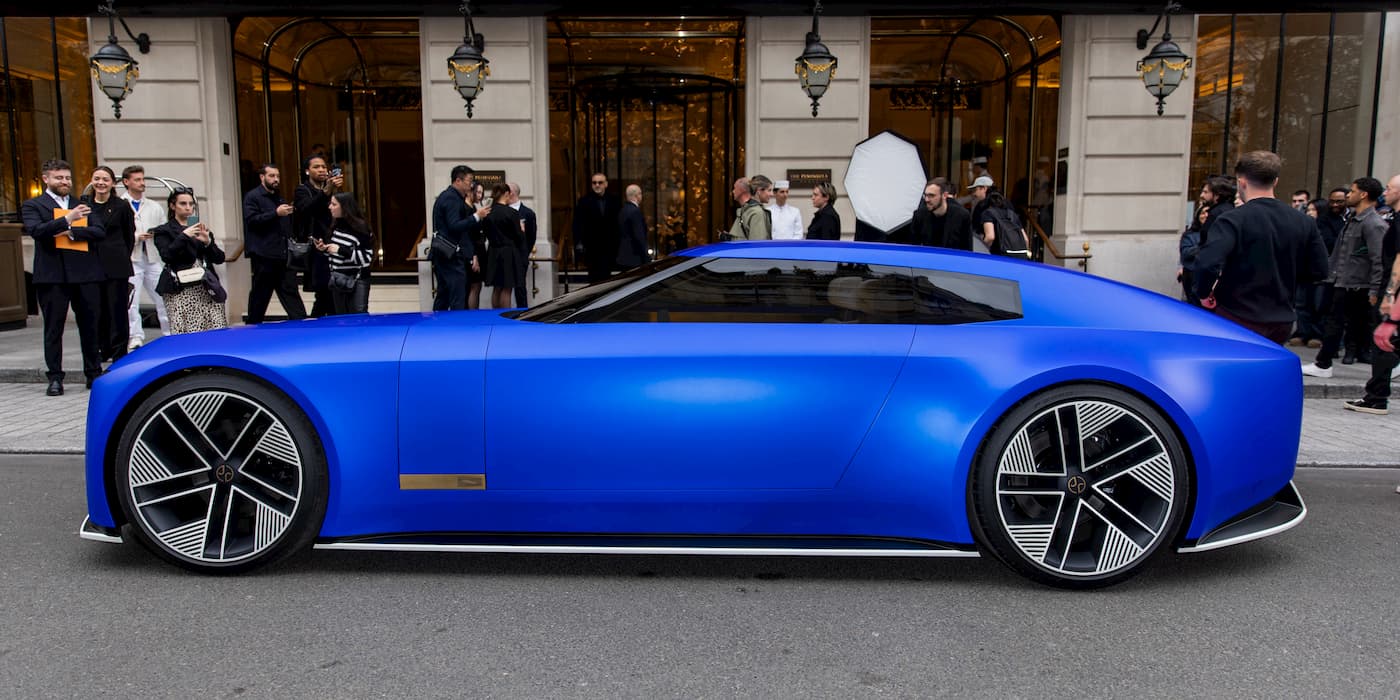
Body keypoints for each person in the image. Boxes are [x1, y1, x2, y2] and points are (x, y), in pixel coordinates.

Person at [1192, 151, 1329, 344]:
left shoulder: (1233, 219)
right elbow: (1320, 270)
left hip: (1237, 313)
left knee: (1234, 371)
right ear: (1275, 182)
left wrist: (1204, 294)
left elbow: (1206, 263)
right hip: (1281, 318)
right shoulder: (1303, 221)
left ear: (1242, 182)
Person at [21, 159, 106, 396]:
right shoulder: (33, 205)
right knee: (53, 328)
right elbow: (36, 231)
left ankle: (93, 373)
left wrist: (73, 231)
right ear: (46, 179)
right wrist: (67, 219)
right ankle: (55, 377)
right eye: (59, 178)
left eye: (68, 178)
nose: (65, 182)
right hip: (52, 276)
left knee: (90, 326)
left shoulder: (82, 204)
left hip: (84, 274)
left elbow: (99, 231)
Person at [1302, 177, 1388, 375]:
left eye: (1353, 191)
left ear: (1363, 194)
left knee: (1343, 322)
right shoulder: (1353, 220)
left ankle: (1324, 363)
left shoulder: (1373, 223)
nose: (1349, 195)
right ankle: (1324, 362)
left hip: (1357, 284)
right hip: (1344, 280)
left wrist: (1375, 289)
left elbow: (1378, 259)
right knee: (1339, 321)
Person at [153, 189, 227, 334]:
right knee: (185, 331)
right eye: (183, 203)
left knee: (215, 328)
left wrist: (207, 242)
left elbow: (219, 258)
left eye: (191, 204)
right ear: (173, 206)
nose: (188, 207)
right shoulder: (164, 230)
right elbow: (167, 255)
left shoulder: (199, 228)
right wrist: (184, 236)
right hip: (180, 288)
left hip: (205, 286)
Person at [82, 166, 136, 362]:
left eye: (105, 179)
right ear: (91, 181)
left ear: (113, 183)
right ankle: (102, 350)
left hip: (116, 266)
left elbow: (129, 236)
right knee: (96, 310)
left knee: (117, 311)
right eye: (97, 178)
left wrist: (120, 255)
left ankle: (119, 352)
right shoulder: (84, 204)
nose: (101, 183)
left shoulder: (121, 206)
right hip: (90, 266)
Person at [242, 163, 307, 324]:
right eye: (272, 176)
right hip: (264, 255)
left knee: (290, 291)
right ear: (262, 177)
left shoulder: (278, 197)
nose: (276, 179)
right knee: (260, 294)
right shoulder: (253, 197)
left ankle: (302, 325)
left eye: (277, 176)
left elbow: (284, 225)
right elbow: (252, 221)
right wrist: (275, 213)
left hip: (283, 255)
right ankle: (253, 326)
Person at [121, 165, 169, 350]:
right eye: (137, 180)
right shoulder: (120, 204)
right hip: (131, 258)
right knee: (131, 300)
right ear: (127, 182)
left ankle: (169, 332)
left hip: (152, 256)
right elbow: (117, 234)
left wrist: (155, 233)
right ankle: (135, 336)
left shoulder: (153, 206)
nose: (142, 183)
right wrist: (135, 237)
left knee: (162, 294)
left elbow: (163, 228)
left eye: (143, 179)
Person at [431, 165, 487, 310]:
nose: (471, 185)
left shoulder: (449, 197)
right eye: (469, 181)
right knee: (457, 295)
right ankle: (456, 328)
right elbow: (454, 226)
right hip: (451, 255)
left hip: (445, 253)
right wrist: (476, 216)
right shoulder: (451, 199)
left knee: (444, 294)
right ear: (458, 181)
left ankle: (438, 325)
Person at [293, 154, 343, 317]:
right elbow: (306, 209)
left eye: (323, 166)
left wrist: (336, 191)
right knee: (324, 291)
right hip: (317, 247)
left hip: (335, 244)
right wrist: (326, 191)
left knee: (330, 294)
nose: (321, 169)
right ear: (307, 171)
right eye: (316, 167)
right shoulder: (303, 190)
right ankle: (317, 325)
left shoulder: (332, 189)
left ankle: (319, 325)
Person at [317, 192, 373, 315]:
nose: (330, 207)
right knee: (341, 317)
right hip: (338, 279)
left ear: (344, 207)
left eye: (334, 204)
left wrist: (340, 250)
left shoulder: (360, 228)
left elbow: (367, 258)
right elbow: (336, 254)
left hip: (357, 280)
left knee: (358, 316)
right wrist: (326, 249)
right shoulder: (335, 226)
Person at [573, 173, 621, 283]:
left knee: (609, 281)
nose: (597, 185)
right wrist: (579, 244)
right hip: (591, 249)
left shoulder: (615, 201)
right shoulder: (584, 202)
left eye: (600, 182)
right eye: (594, 183)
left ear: (606, 184)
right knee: (594, 281)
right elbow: (577, 224)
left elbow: (618, 225)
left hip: (610, 249)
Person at [483, 183, 524, 309]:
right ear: (506, 194)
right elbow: (519, 237)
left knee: (497, 287)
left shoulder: (488, 212)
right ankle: (505, 315)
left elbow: (485, 232)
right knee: (507, 288)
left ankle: (494, 315)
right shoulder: (511, 213)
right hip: (508, 252)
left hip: (493, 251)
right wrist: (521, 229)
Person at [906, 177, 972, 250]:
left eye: (931, 196)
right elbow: (913, 247)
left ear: (944, 195)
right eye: (925, 195)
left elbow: (967, 249)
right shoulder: (919, 215)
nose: (927, 199)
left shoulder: (961, 215)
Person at [978, 188, 1030, 258]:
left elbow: (990, 237)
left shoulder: (988, 213)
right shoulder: (1012, 214)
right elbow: (1026, 239)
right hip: (1020, 255)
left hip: (1000, 255)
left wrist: (980, 249)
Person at [509, 183, 537, 308]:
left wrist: (525, 252)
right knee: (503, 287)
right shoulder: (501, 210)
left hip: (520, 255)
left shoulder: (528, 213)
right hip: (505, 254)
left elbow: (531, 236)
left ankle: (522, 312)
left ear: (512, 193)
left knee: (520, 287)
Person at [1177, 204, 1208, 307]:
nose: (1206, 215)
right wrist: (1203, 247)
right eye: (1203, 212)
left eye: (1208, 212)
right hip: (1191, 275)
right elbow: (1185, 254)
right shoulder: (1189, 235)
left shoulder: (1218, 233)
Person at [1197, 174, 1236, 248]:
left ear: (1217, 195)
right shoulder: (1230, 209)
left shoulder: (1216, 213)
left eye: (1206, 192)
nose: (1201, 195)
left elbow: (1207, 240)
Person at [616, 184, 649, 271]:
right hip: (635, 258)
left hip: (623, 257)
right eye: (640, 194)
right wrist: (646, 256)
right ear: (637, 195)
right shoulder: (635, 211)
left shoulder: (622, 210)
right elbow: (639, 236)